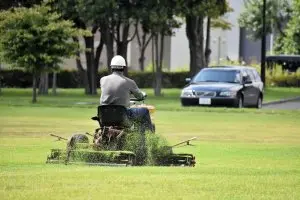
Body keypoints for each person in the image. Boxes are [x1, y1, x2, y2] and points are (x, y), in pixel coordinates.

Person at [99, 55, 153, 133]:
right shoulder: (129, 82)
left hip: (104, 116)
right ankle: (150, 136)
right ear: (124, 68)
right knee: (144, 111)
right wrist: (142, 95)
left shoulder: (102, 80)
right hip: (122, 116)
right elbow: (140, 96)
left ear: (111, 67)